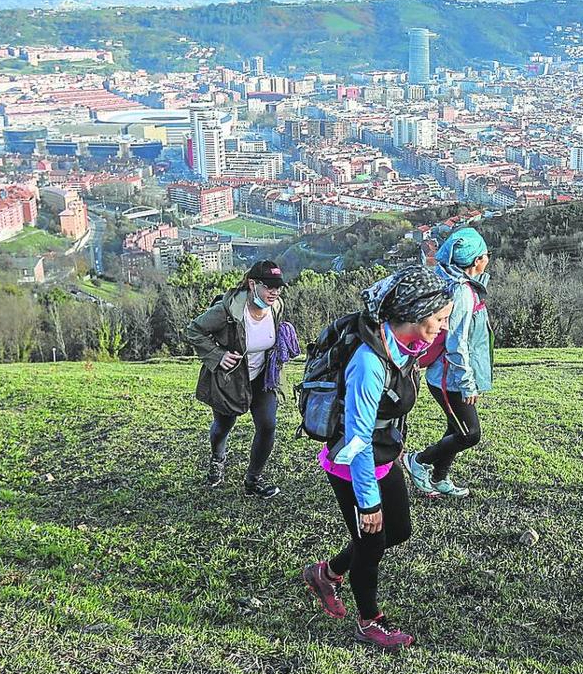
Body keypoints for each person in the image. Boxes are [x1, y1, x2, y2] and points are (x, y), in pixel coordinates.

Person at [302, 266, 454, 650]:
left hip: (382, 456)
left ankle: (327, 573)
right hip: (353, 464)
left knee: (398, 531)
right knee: (370, 541)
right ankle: (369, 622)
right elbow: (357, 440)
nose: (442, 327)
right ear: (413, 316)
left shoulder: (403, 346)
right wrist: (367, 501)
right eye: (439, 319)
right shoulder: (369, 363)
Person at [187, 260, 288, 499]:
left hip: (262, 378)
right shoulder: (229, 310)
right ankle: (217, 459)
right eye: (269, 287)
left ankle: (253, 480)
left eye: (278, 287)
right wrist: (218, 355)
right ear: (252, 284)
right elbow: (194, 330)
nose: (274, 292)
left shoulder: (276, 306)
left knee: (268, 424)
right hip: (231, 379)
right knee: (224, 425)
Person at [405, 228, 493, 498]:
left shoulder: (449, 276)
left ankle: (441, 478)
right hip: (448, 378)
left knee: (455, 428)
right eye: (485, 254)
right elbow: (457, 343)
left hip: (449, 375)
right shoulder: (462, 292)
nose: (488, 258)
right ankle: (418, 461)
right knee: (470, 434)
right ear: (476, 260)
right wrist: (468, 384)